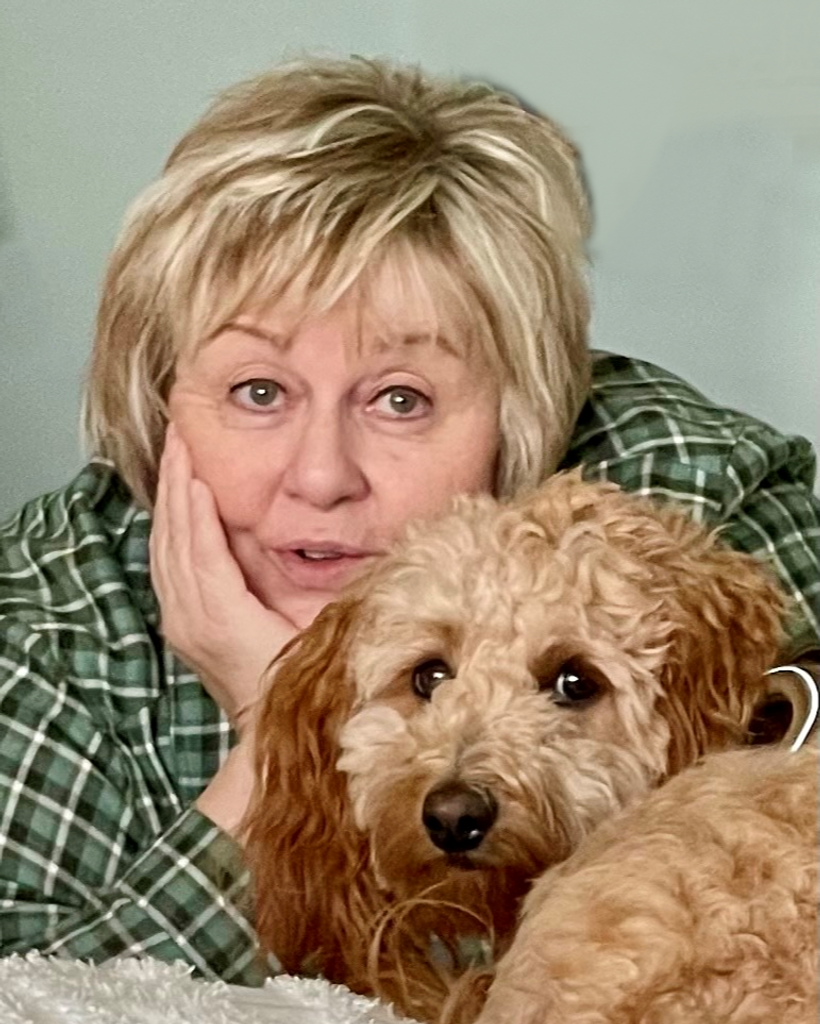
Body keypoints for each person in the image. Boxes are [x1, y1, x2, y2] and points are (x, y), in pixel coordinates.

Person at [0, 56, 817, 984]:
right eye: (258, 390)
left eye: (400, 399)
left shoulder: (692, 492)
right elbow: (34, 990)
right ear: (157, 406)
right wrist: (278, 739)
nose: (321, 477)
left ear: (520, 412)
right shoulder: (45, 627)